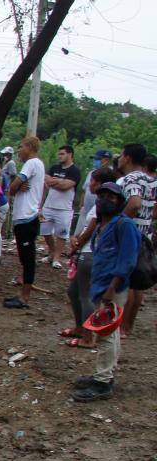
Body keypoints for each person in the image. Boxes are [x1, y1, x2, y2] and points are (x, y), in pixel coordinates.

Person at [72, 181, 140, 402]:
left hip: (113, 287)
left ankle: (102, 382)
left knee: (106, 334)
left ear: (119, 201)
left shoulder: (124, 225)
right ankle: (104, 375)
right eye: (101, 196)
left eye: (110, 197)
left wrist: (112, 288)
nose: (104, 200)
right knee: (110, 333)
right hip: (101, 285)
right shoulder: (102, 226)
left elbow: (128, 260)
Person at [65, 167, 116, 348]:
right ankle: (80, 328)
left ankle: (88, 337)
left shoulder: (102, 206)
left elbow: (91, 230)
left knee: (86, 296)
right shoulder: (98, 204)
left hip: (90, 253)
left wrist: (76, 244)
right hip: (85, 251)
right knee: (73, 292)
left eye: (94, 181)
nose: (91, 184)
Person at [116, 142, 156, 338]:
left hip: (130, 236)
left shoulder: (130, 179)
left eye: (122, 155)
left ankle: (119, 325)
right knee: (138, 283)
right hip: (145, 234)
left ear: (128, 158)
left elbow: (134, 203)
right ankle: (127, 327)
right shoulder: (151, 180)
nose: (120, 158)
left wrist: (119, 222)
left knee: (127, 280)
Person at [4, 135, 45, 309]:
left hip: (26, 217)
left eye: (21, 147)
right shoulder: (39, 165)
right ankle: (23, 293)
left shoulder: (31, 164)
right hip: (26, 216)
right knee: (24, 257)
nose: (19, 150)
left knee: (28, 258)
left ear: (29, 146)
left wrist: (15, 186)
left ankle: (24, 298)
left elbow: (12, 187)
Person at [40, 145, 81, 268]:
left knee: (61, 234)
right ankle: (52, 252)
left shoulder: (75, 171)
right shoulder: (54, 168)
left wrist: (54, 182)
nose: (60, 156)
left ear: (70, 154)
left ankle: (56, 258)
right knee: (45, 231)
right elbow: (46, 180)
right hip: (49, 206)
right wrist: (58, 182)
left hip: (64, 208)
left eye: (62, 154)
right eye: (59, 154)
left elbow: (66, 186)